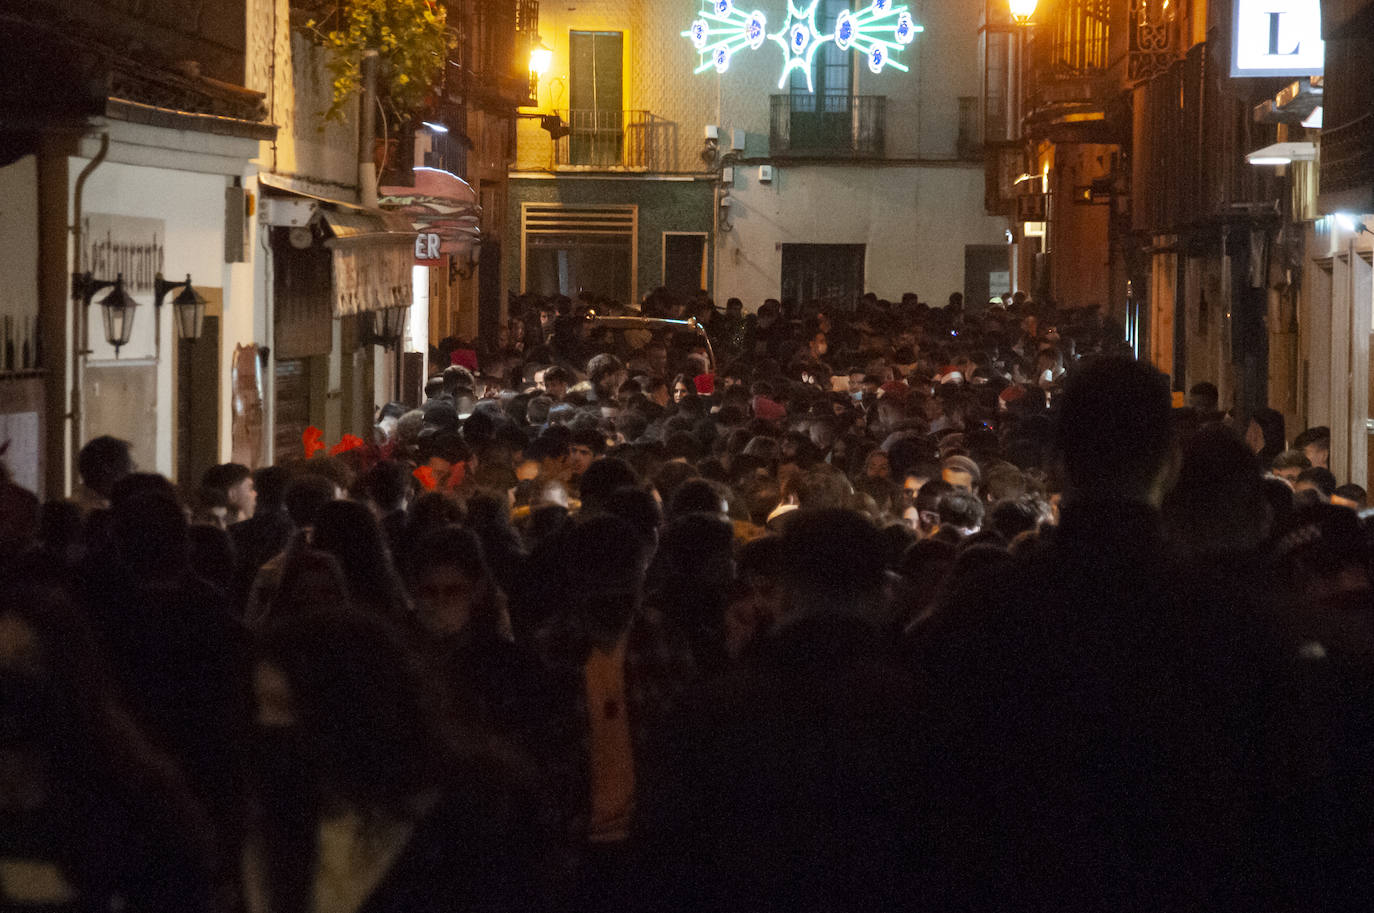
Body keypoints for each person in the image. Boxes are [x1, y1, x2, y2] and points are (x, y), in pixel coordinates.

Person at [246, 609, 541, 913]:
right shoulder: (280, 824)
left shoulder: (474, 818)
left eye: (286, 706)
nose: (268, 724)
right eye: (261, 706)